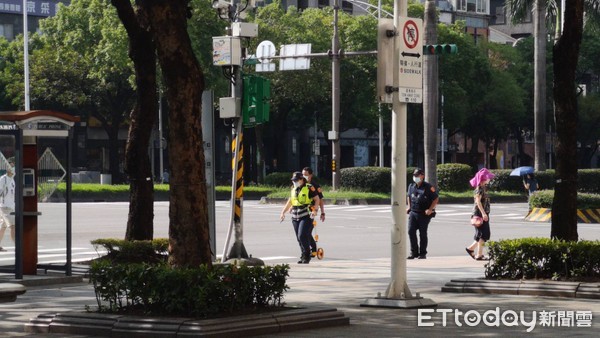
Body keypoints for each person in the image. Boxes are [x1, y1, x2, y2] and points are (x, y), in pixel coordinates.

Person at [280, 172, 320, 264]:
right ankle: (303, 255)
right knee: (299, 238)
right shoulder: (293, 188)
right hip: (295, 215)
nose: (295, 182)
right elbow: (290, 201)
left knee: (302, 235)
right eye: (293, 181)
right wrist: (283, 212)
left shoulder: (309, 187)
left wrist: (315, 210)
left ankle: (307, 255)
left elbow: (317, 199)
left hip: (306, 215)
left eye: (296, 180)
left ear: (302, 179)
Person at [406, 168, 439, 260]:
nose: (415, 177)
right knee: (411, 231)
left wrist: (430, 209)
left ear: (422, 176)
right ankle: (413, 252)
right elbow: (409, 196)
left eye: (417, 175)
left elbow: (436, 199)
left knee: (422, 233)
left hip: (424, 214)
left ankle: (422, 253)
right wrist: (409, 207)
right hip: (413, 212)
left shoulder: (428, 187)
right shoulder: (411, 186)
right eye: (414, 175)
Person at [466, 168, 495, 261]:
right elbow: (478, 202)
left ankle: (471, 249)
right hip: (479, 214)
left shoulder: (483, 188)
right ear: (483, 179)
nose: (489, 179)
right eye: (487, 178)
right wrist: (483, 214)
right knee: (483, 234)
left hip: (483, 213)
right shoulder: (479, 189)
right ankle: (478, 254)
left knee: (482, 234)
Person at [302, 167, 325, 257]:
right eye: (303, 174)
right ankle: (311, 249)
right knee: (305, 232)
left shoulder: (315, 185)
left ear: (310, 175)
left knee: (307, 231)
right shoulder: (300, 184)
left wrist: (322, 213)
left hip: (311, 210)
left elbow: (320, 200)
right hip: (301, 210)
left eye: (306, 175)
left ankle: (312, 249)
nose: (304, 176)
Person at [0, 161, 16, 252]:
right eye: (12, 166)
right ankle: (19, 247)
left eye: (14, 166)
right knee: (13, 226)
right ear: (8, 169)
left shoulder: (12, 180)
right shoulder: (3, 179)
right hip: (4, 207)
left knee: (2, 227)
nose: (13, 168)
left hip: (11, 207)